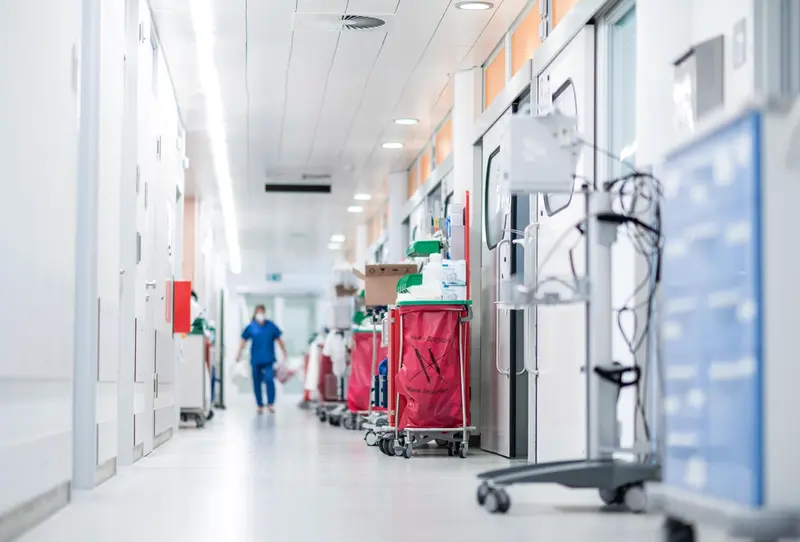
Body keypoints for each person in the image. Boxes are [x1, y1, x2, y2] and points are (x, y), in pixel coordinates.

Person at [237, 305, 287, 414]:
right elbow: (243, 341)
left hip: (269, 359)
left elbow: (279, 339)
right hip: (256, 359)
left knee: (269, 379)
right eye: (258, 312)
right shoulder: (251, 326)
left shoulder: (271, 326)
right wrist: (239, 354)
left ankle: (270, 403)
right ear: (255, 314)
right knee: (257, 382)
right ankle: (259, 405)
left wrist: (284, 352)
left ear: (264, 313)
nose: (260, 315)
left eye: (262, 312)